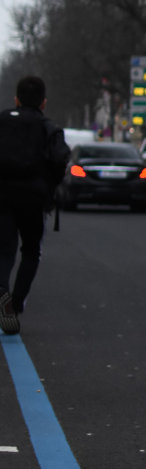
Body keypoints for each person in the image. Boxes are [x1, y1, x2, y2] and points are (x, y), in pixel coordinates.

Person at [0, 76, 71, 334]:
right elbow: (60, 159)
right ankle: (16, 303)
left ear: (16, 99)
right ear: (43, 103)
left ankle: (2, 292)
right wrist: (49, 186)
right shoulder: (48, 127)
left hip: (2, 198)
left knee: (4, 252)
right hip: (33, 198)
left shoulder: (2, 120)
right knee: (31, 251)